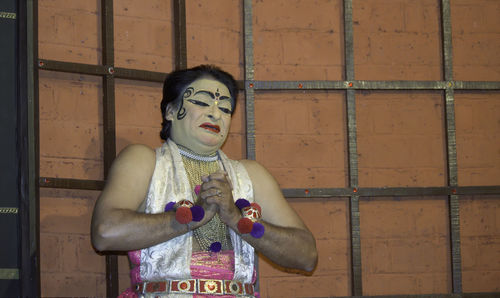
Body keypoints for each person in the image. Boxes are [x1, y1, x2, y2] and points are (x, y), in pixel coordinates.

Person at [91, 65, 317, 297]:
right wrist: (190, 218)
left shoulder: (251, 175)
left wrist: (237, 219)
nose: (215, 114)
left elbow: (306, 256)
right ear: (170, 110)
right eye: (201, 102)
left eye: (226, 108)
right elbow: (105, 233)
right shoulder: (145, 161)